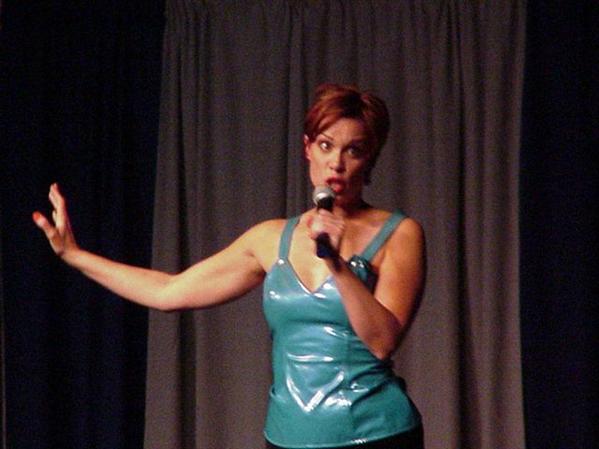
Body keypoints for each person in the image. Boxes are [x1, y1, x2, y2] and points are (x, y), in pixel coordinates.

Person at [33, 83, 426, 449]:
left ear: (370, 159)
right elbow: (168, 291)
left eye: (354, 150)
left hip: (376, 435)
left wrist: (336, 264)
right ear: (308, 148)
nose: (336, 163)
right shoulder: (269, 238)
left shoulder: (399, 234)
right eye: (326, 145)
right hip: (287, 436)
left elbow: (382, 341)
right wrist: (74, 255)